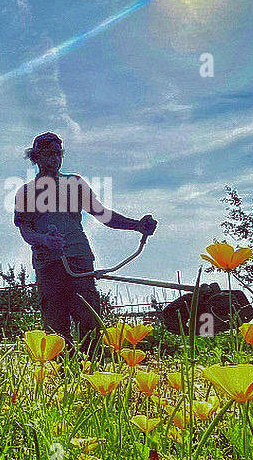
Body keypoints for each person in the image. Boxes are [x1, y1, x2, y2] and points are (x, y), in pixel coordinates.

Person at [13, 132, 157, 356]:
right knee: (55, 328)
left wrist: (137, 225)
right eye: (49, 153)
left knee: (89, 322)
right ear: (36, 157)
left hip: (79, 259)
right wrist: (45, 240)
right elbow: (25, 230)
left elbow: (102, 214)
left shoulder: (74, 183)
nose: (55, 158)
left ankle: (94, 375)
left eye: (59, 153)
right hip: (48, 264)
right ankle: (62, 379)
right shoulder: (26, 192)